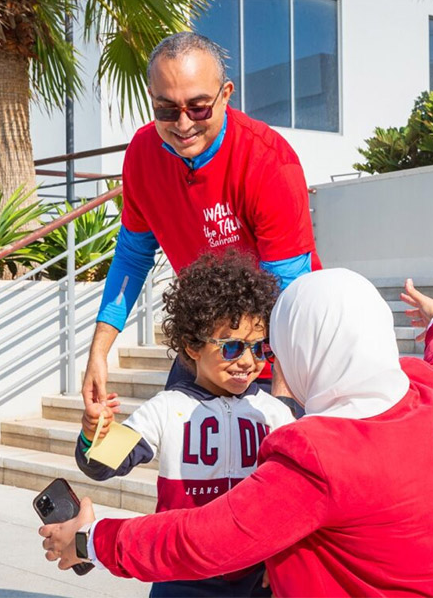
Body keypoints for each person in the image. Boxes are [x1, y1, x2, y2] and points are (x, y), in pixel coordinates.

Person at [41, 270, 433, 598]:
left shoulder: (313, 447)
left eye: (267, 348)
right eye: (231, 347)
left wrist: (92, 540)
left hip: (239, 568)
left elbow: (208, 539)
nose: (256, 362)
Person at [83, 31, 320, 419]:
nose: (182, 124)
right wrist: (99, 353)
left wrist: (283, 403)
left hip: (274, 349)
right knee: (186, 462)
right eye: (166, 109)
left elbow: (289, 292)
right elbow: (131, 256)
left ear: (226, 95)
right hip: (206, 343)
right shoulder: (142, 156)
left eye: (198, 107)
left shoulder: (268, 160)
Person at [75, 252, 296, 597]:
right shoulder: (166, 408)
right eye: (232, 347)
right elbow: (101, 466)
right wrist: (93, 434)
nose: (249, 362)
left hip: (255, 578)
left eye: (259, 348)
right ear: (192, 345)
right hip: (179, 576)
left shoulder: (274, 414)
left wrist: (281, 555)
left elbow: (291, 497)